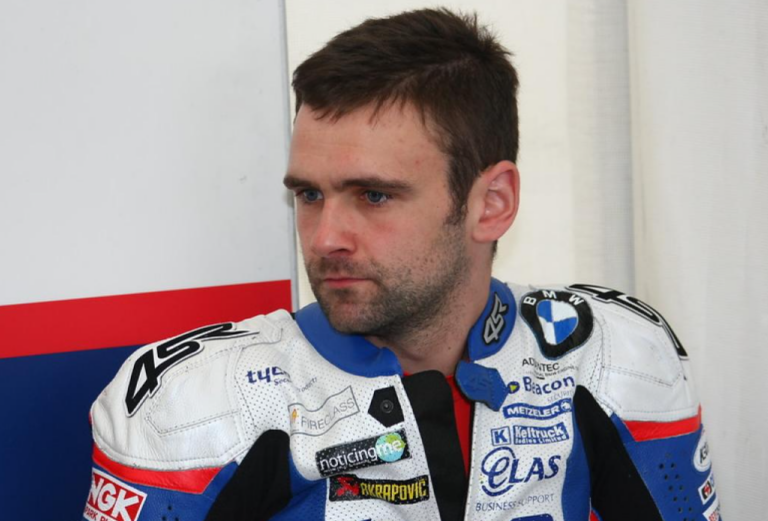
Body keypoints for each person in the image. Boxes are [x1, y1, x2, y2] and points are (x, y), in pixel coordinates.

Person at [82, 8, 719, 521]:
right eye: (309, 194)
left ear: (491, 204)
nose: (325, 237)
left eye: (374, 196)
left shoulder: (612, 355)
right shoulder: (197, 405)